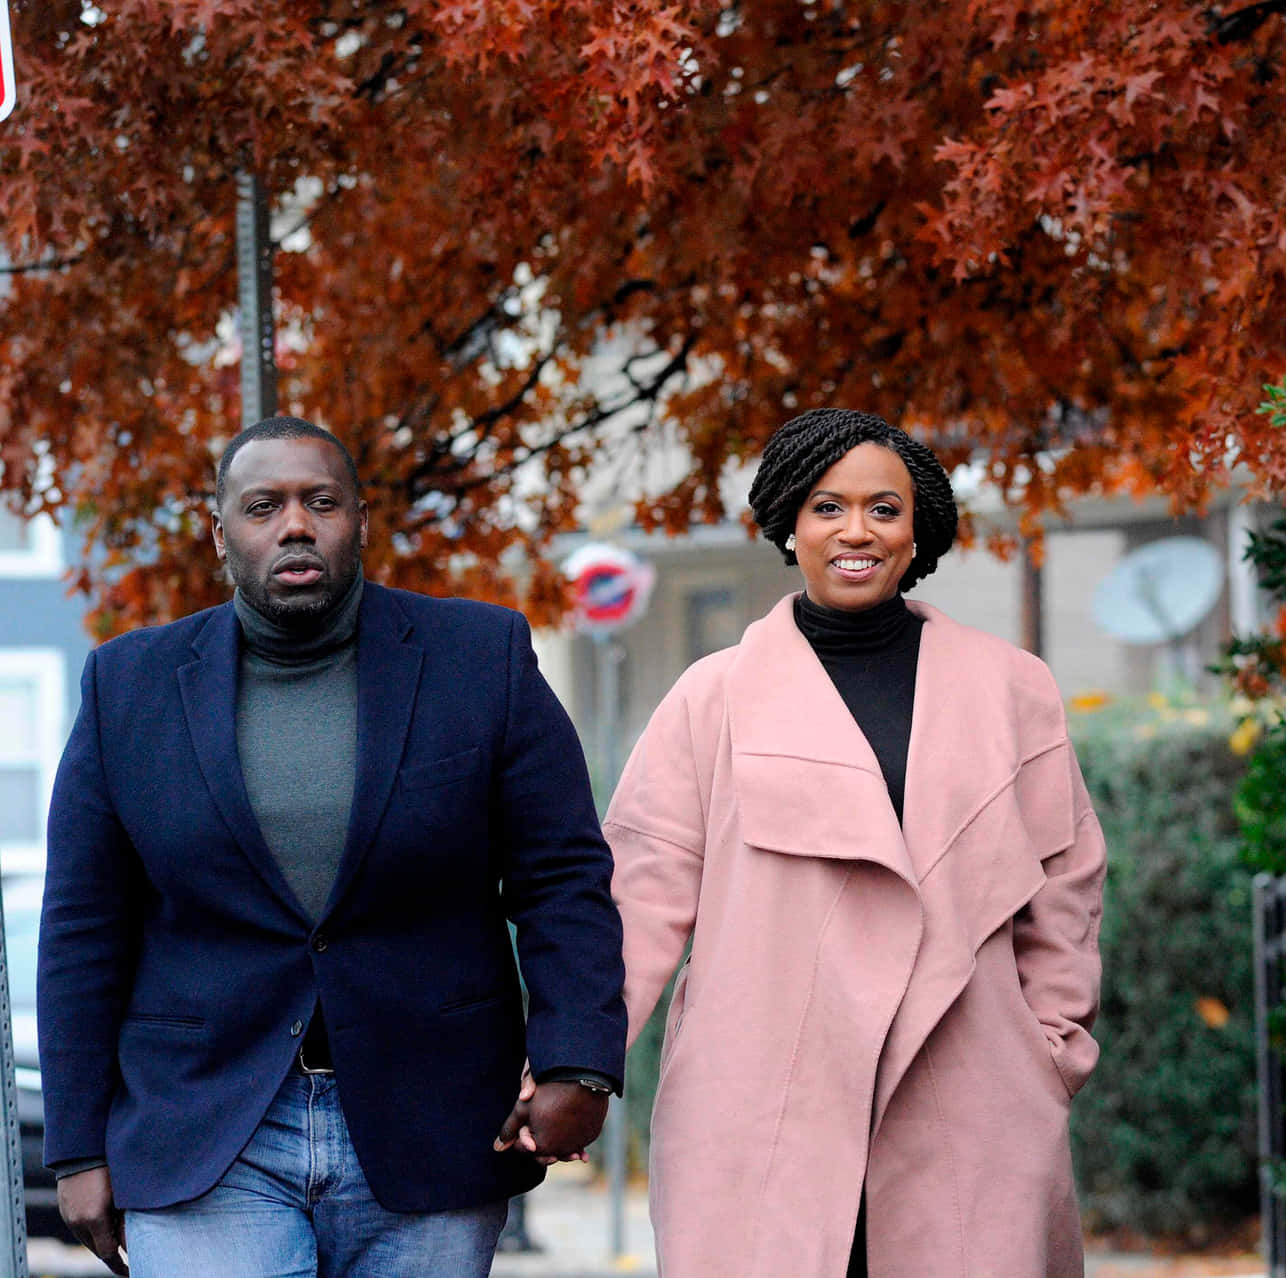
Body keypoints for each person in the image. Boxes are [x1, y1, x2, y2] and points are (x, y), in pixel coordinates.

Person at [39, 416, 627, 1277]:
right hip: (204, 1125)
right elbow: (84, 927)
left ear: (360, 521)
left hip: (431, 1124)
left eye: (321, 502)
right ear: (222, 535)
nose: (295, 525)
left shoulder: (481, 658)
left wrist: (581, 1063)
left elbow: (562, 878)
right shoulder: (128, 685)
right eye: (263, 505)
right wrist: (77, 1146)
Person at [606, 407, 1107, 1277]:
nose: (856, 531)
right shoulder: (711, 698)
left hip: (971, 1095)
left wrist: (1051, 1049)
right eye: (827, 507)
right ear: (788, 524)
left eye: (885, 508)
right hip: (763, 1095)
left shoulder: (1011, 688)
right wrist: (574, 1065)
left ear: (920, 533)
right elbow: (639, 896)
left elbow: (1066, 881)